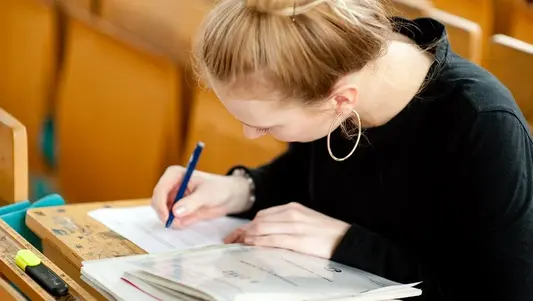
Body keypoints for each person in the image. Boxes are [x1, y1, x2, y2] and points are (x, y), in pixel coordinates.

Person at [151, 0, 533, 300]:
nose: (249, 134)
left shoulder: (482, 123)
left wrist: (345, 243)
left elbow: (500, 293)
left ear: (340, 100)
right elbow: (309, 175)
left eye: (267, 124)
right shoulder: (333, 71)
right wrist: (242, 189)